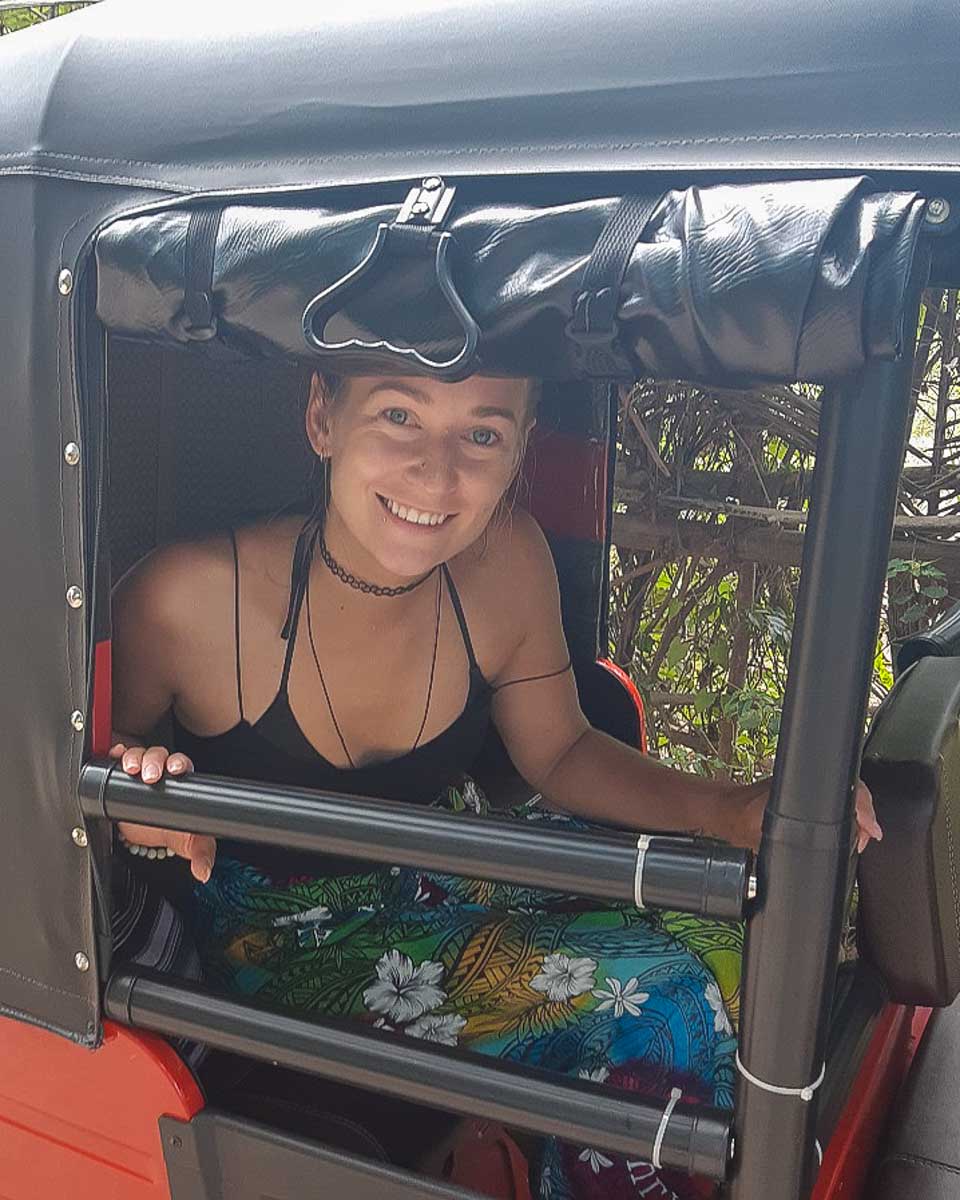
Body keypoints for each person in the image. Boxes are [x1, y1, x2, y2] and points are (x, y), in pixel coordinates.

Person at [110, 371, 880, 1199]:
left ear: (520, 449)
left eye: (482, 434)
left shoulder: (507, 559)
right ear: (322, 417)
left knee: (741, 933)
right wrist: (139, 794)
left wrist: (727, 808)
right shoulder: (183, 598)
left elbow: (561, 751)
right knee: (664, 1003)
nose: (437, 474)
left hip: (459, 854)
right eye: (399, 415)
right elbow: (81, 768)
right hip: (288, 934)